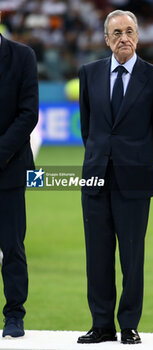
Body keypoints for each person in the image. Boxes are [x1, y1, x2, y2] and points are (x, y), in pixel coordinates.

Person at [78, 9, 153, 344]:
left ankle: (129, 324)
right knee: (97, 256)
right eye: (116, 33)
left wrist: (140, 165)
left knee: (132, 257)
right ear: (106, 39)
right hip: (95, 179)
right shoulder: (88, 74)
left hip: (134, 182)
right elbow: (87, 130)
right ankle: (101, 324)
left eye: (129, 31)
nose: (123, 38)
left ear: (138, 37)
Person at [0, 11, 38, 338]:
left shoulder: (22, 56)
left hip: (9, 169)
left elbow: (28, 114)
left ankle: (14, 315)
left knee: (12, 246)